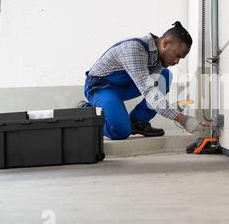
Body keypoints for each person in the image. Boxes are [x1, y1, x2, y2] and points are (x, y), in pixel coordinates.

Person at [79, 21, 208, 140]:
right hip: (102, 87)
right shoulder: (135, 48)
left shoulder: (158, 58)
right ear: (165, 43)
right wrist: (183, 120)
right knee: (121, 131)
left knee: (165, 75)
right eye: (177, 55)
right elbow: (150, 92)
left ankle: (138, 121)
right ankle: (86, 112)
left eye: (181, 58)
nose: (176, 61)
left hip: (125, 86)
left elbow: (154, 90)